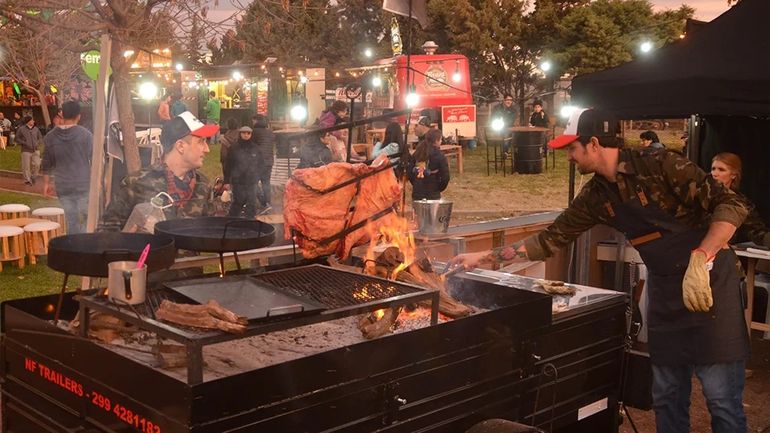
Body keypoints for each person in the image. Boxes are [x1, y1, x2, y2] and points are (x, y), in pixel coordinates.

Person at [449, 108, 750, 433]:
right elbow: (550, 239)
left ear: (593, 143)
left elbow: (732, 204)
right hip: (666, 287)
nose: (569, 158)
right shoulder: (595, 196)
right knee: (666, 395)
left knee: (720, 398)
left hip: (711, 282)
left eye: (572, 149)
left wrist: (704, 253)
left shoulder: (661, 164)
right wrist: (482, 257)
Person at [99, 111, 218, 232]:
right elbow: (105, 232)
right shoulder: (137, 183)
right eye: (201, 141)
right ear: (180, 146)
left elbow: (212, 233)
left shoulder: (203, 185)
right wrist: (127, 240)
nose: (207, 149)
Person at [41, 101, 93, 234]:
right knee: (88, 218)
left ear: (62, 114)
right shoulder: (86, 135)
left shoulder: (50, 137)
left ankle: (73, 244)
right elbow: (95, 159)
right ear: (79, 116)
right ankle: (86, 243)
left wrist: (46, 183)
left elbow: (46, 163)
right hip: (83, 183)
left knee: (71, 219)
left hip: (62, 184)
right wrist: (99, 180)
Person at [711, 152, 770, 247]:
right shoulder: (700, 196)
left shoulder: (741, 202)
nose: (714, 174)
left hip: (722, 250)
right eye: (713, 169)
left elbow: (756, 231)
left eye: (721, 170)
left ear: (733, 175)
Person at [224, 126, 263, 219]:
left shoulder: (256, 148)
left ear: (251, 134)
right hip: (238, 181)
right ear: (240, 134)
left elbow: (261, 164)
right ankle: (231, 222)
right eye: (244, 133)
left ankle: (250, 222)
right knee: (238, 202)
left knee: (251, 203)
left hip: (252, 181)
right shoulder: (233, 148)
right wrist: (226, 181)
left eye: (248, 133)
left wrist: (258, 177)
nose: (246, 135)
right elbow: (228, 164)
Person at [407, 128, 450, 201]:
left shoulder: (417, 153)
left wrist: (415, 184)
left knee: (418, 209)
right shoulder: (440, 155)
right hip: (433, 193)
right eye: (440, 139)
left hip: (417, 193)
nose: (441, 141)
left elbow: (410, 172)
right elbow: (445, 176)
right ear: (436, 141)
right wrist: (439, 188)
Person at [251, 114, 275, 213]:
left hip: (258, 162)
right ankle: (268, 204)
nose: (252, 122)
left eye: (253, 121)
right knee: (266, 183)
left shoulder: (254, 132)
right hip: (269, 161)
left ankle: (263, 203)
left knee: (253, 183)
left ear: (256, 121)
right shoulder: (270, 132)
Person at [15, 116, 43, 185]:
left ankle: (33, 177)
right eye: (32, 120)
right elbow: (17, 138)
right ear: (28, 121)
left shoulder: (36, 129)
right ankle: (27, 180)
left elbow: (40, 137)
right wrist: (24, 143)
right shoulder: (21, 129)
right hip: (25, 150)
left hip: (35, 150)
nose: (33, 121)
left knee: (37, 164)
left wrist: (38, 142)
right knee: (26, 166)